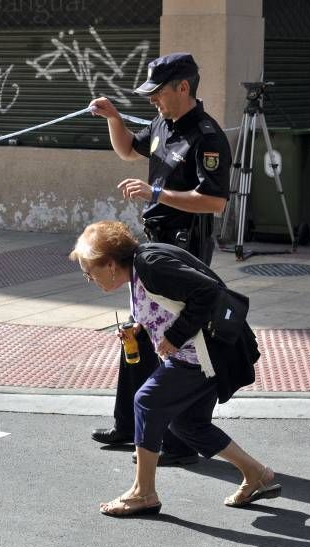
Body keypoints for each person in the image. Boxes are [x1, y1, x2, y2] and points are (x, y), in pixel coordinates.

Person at [69, 220, 280, 517]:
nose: (89, 278)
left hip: (199, 357)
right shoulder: (138, 269)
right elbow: (168, 303)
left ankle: (143, 493)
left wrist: (174, 336)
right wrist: (141, 328)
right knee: (187, 425)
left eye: (90, 271)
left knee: (146, 401)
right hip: (198, 355)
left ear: (110, 264)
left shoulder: (151, 265)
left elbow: (207, 292)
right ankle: (256, 473)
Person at [87, 52, 232, 465]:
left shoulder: (208, 136)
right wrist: (115, 117)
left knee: (178, 339)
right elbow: (128, 152)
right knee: (138, 331)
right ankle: (129, 425)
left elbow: (216, 202)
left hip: (184, 247)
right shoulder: (161, 125)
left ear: (182, 88)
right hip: (154, 242)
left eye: (158, 93)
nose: (153, 101)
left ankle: (181, 441)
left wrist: (157, 194)